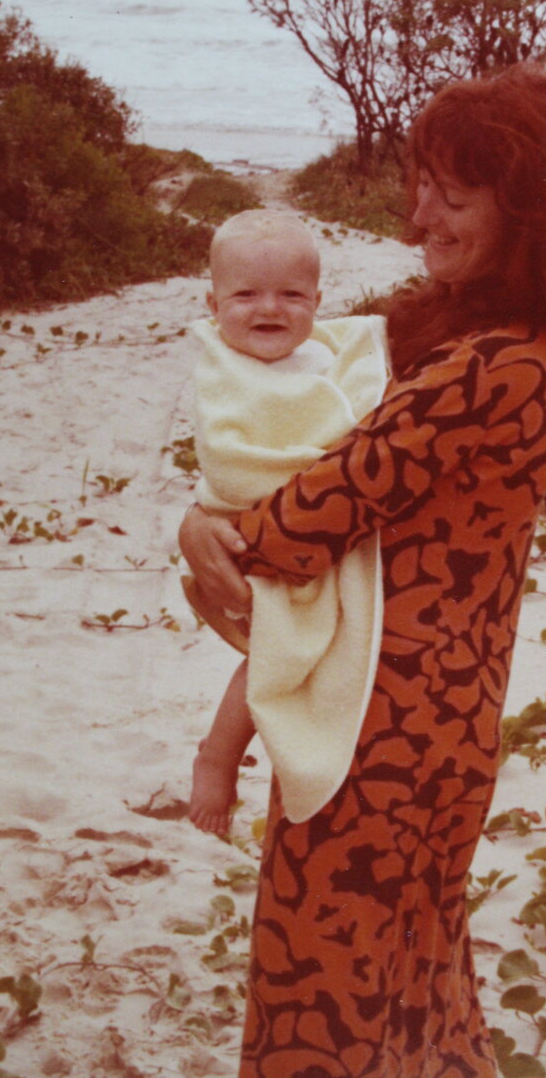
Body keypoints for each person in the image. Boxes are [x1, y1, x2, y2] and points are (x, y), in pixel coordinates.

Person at [179, 63, 546, 1078]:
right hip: (433, 718)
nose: (418, 214)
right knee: (413, 970)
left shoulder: (493, 365)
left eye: (451, 195)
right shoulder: (462, 332)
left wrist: (203, 530)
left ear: (530, 213)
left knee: (321, 990)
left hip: (383, 725)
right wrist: (199, 525)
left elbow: (300, 519)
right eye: (420, 182)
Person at [187, 209, 389, 836]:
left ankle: (234, 758)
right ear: (213, 301)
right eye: (245, 294)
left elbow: (359, 423)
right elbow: (230, 454)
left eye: (292, 295)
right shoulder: (223, 366)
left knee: (287, 653)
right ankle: (216, 758)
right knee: (273, 655)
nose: (268, 309)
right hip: (242, 532)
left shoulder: (325, 360)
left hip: (296, 535)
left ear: (318, 303)